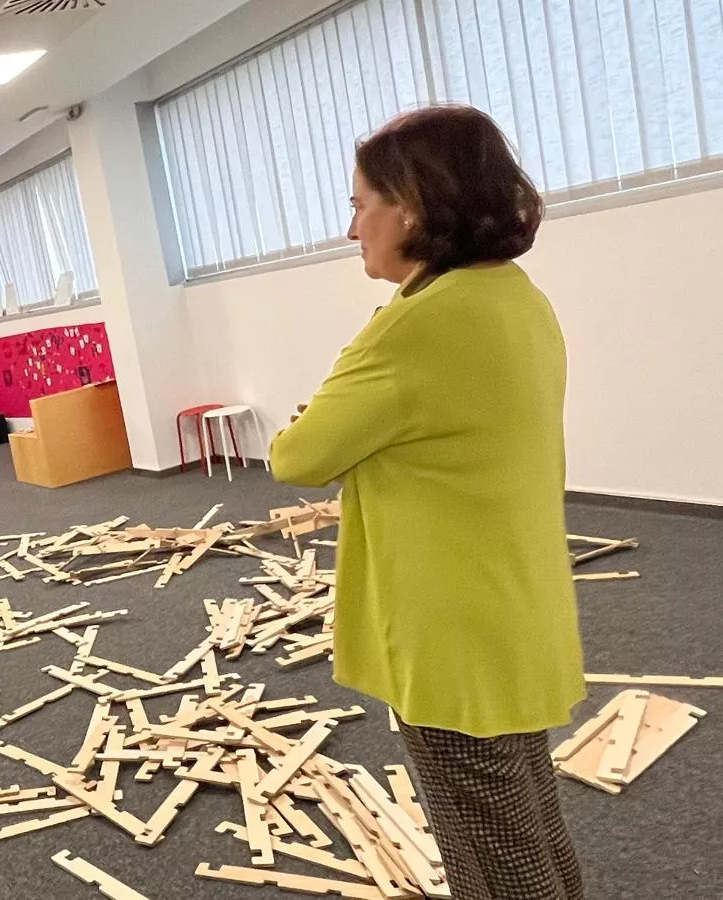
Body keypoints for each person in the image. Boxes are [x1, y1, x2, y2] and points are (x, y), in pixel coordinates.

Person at [270, 106, 585, 900]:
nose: (353, 231)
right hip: (513, 606)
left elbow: (297, 457)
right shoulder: (515, 297)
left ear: (409, 205)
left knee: (493, 858)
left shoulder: (415, 326)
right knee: (531, 823)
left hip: (451, 633)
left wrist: (330, 406)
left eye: (358, 206)